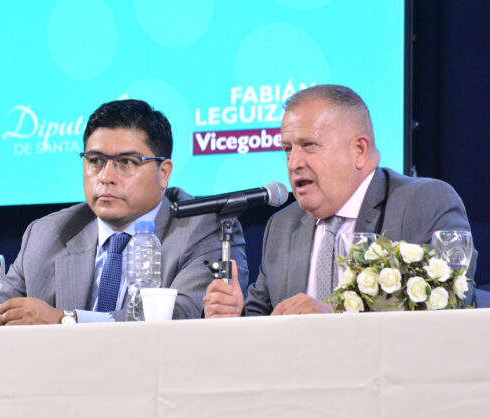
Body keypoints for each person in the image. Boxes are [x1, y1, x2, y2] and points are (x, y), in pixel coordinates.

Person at [0, 99, 248, 325]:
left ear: (163, 173)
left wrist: (65, 321)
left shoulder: (203, 229)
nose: (106, 176)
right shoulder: (46, 235)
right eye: (95, 160)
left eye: (126, 162)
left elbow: (181, 315)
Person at [203, 84, 475, 317]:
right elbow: (262, 319)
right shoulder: (283, 226)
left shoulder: (423, 203)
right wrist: (234, 314)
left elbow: (453, 301)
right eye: (287, 149)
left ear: (359, 150)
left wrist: (336, 316)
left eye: (309, 145)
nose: (293, 163)